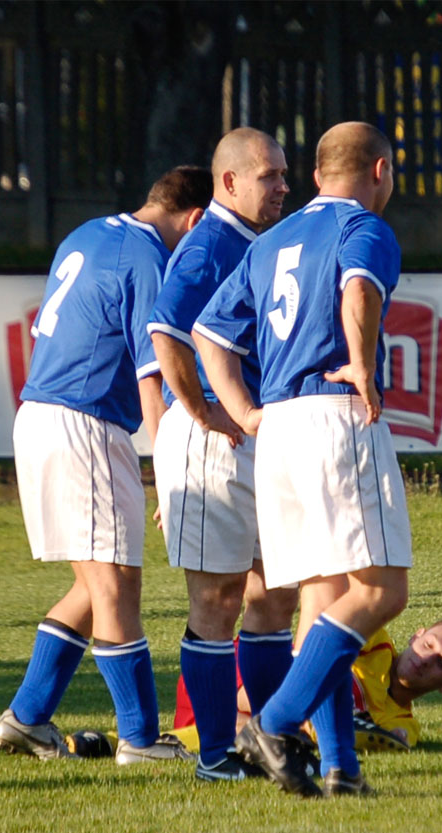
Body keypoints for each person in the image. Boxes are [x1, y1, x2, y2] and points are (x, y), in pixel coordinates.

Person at [195, 121, 410, 798]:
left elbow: (208, 333)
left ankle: (342, 768)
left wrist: (245, 411)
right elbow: (358, 292)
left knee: (321, 597)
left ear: (317, 174)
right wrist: (365, 367)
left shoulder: (269, 243)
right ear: (379, 171)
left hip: (278, 430)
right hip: (332, 416)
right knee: (380, 591)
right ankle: (276, 722)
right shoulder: (363, 229)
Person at [0, 166, 212, 765]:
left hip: (41, 413)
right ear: (194, 220)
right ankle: (140, 738)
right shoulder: (147, 259)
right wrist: (172, 473)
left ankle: (27, 717)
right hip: (83, 422)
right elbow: (152, 378)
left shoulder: (89, 232)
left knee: (94, 587)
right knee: (116, 585)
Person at [143, 128, 300, 784]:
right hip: (214, 443)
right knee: (218, 598)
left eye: (285, 174)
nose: (283, 186)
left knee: (276, 593)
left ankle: (267, 743)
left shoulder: (258, 244)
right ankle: (213, 756)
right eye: (269, 176)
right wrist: (201, 409)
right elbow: (164, 330)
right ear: (229, 183)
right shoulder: (211, 243)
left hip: (259, 437)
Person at [84, 618, 442, 757]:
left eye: (440, 663)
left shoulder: (406, 723)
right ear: (417, 634)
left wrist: (381, 736)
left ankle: (109, 743)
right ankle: (330, 722)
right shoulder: (375, 640)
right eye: (428, 644)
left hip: (238, 712)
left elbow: (398, 739)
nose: (424, 658)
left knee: (254, 734)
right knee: (317, 677)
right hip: (235, 673)